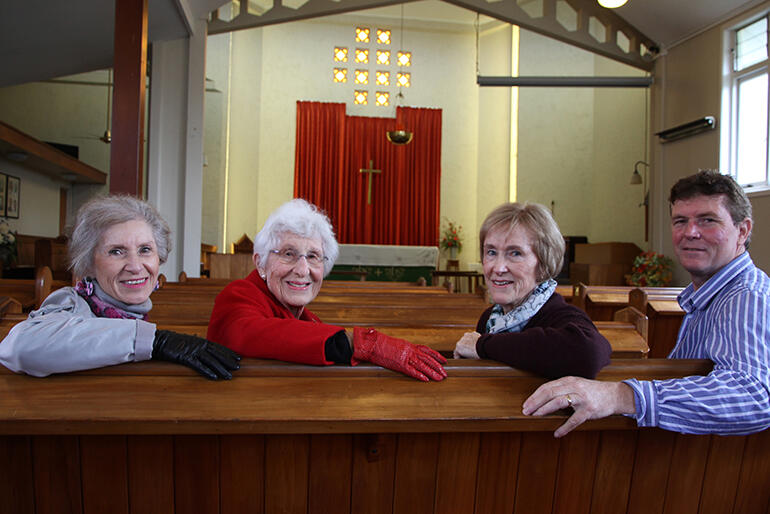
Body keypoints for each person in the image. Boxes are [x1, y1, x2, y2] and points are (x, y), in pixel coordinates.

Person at [524, 170, 770, 436]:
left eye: (707, 220)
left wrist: (620, 395)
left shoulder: (746, 296)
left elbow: (753, 396)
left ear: (742, 231)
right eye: (680, 221)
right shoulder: (712, 295)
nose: (690, 232)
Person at [0, 195, 240, 380]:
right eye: (116, 251)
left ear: (159, 258)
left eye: (145, 250)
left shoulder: (133, 310)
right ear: (89, 264)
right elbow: (21, 347)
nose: (135, 266)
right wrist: (156, 341)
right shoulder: (72, 303)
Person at [207, 198, 447, 381]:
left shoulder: (310, 320)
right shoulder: (237, 296)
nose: (303, 270)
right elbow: (250, 332)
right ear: (259, 262)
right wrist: (368, 343)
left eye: (313, 256)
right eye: (289, 254)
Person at [453, 202, 611, 379]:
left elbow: (588, 353)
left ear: (543, 264)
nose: (498, 268)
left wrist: (482, 345)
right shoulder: (490, 318)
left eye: (515, 253)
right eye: (491, 252)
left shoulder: (559, 315)